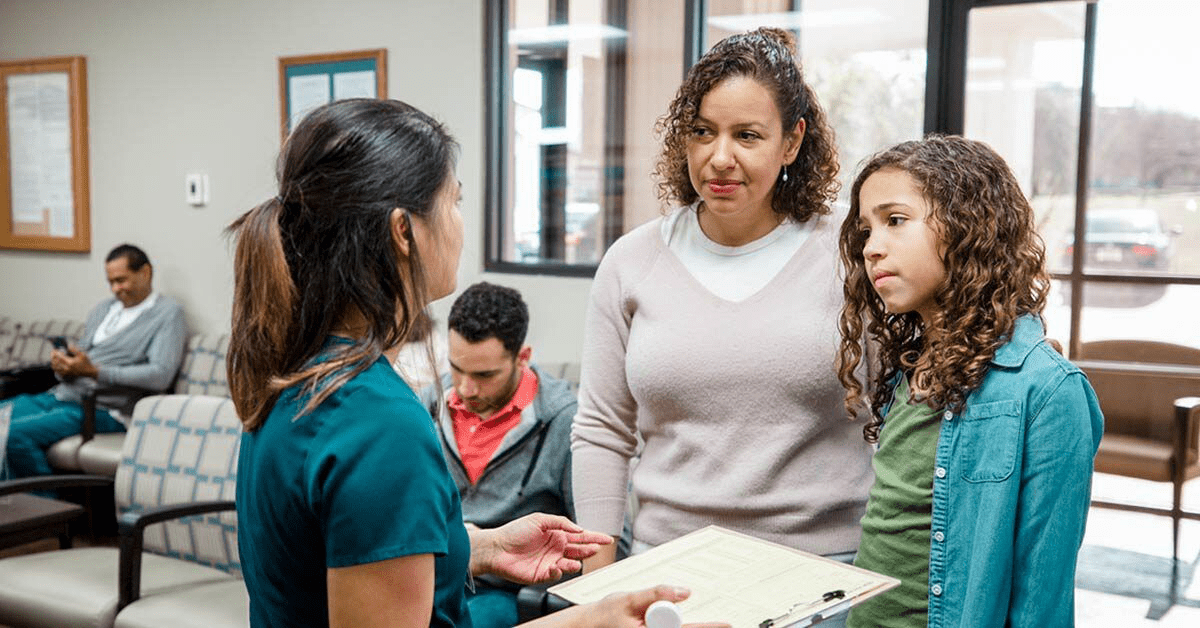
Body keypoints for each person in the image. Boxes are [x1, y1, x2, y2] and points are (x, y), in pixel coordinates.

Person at [229, 98, 727, 628]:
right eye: (455, 201)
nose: (461, 224)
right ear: (404, 231)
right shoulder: (379, 425)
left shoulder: (298, 374)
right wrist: (589, 623)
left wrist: (480, 547)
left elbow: (344, 549)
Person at [570, 25, 874, 599]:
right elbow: (602, 431)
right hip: (668, 576)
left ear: (792, 142)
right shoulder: (631, 262)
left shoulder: (852, 253)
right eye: (703, 132)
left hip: (824, 576)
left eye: (748, 135)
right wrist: (601, 578)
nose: (720, 158)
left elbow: (900, 417)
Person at [835, 135, 1103, 627]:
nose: (872, 248)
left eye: (895, 221)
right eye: (866, 231)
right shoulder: (907, 369)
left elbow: (1041, 602)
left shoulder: (1048, 394)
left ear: (967, 227)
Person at [420, 281, 577, 628]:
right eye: (456, 368)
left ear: (523, 357)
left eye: (484, 375)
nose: (465, 388)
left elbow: (600, 543)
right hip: (429, 574)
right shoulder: (426, 405)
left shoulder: (565, 421)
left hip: (504, 590)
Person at [2, 243, 188, 478]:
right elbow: (82, 356)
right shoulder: (104, 308)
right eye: (111, 282)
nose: (116, 289)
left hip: (105, 410)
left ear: (145, 272)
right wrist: (65, 365)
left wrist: (95, 372)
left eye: (122, 280)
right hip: (62, 395)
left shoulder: (168, 313)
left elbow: (160, 375)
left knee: (15, 434)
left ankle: (49, 511)